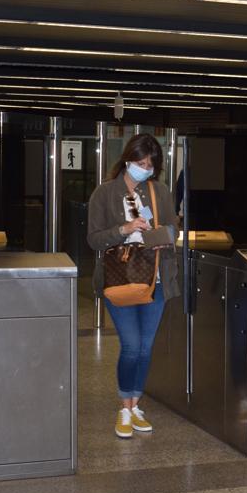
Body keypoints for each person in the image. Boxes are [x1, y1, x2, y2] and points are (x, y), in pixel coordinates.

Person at [87, 134, 178, 439]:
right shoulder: (104, 193)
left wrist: (159, 235)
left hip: (155, 278)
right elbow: (94, 238)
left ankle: (135, 405)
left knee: (146, 347)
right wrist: (124, 230)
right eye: (141, 163)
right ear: (128, 160)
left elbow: (173, 229)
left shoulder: (160, 191)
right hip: (119, 277)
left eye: (150, 165)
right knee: (131, 345)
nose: (145, 169)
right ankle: (124, 409)